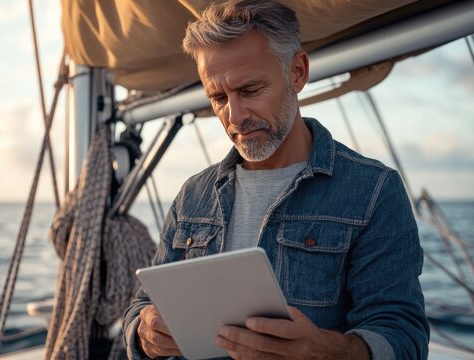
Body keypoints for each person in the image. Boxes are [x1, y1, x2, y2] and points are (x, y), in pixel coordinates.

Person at [123, 0, 430, 359]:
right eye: (218, 98)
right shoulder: (193, 195)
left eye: (250, 90)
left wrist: (323, 351)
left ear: (297, 72)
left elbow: (403, 335)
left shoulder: (374, 191)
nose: (234, 116)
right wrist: (143, 331)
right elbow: (143, 305)